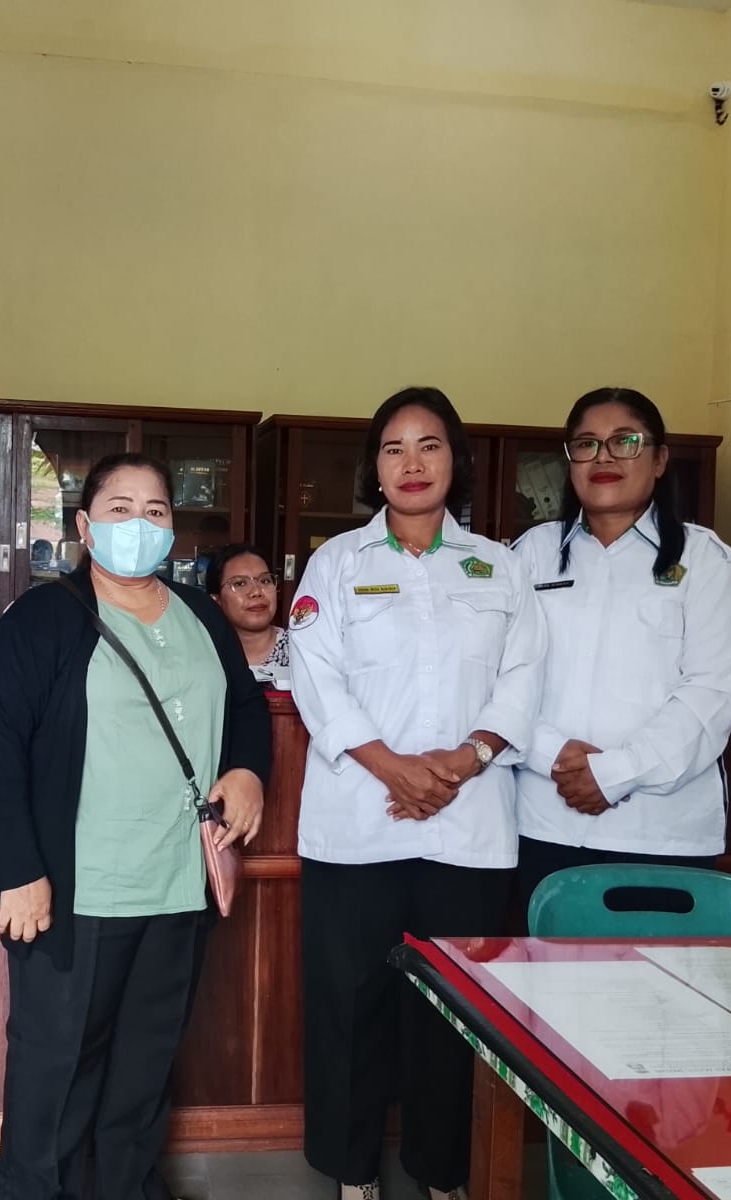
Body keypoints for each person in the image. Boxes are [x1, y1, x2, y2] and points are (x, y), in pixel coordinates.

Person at [0, 452, 271, 1200]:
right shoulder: (43, 618)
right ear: (84, 525)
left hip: (178, 886)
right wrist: (20, 873)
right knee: (56, 1072)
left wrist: (247, 770)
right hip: (79, 893)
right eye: (120, 509)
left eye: (156, 511)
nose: (140, 524)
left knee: (143, 1071)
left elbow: (245, 705)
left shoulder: (201, 613)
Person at [287, 387, 546, 1200]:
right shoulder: (336, 563)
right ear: (374, 468)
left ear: (455, 462)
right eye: (393, 448)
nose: (411, 463)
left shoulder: (500, 567)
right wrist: (393, 767)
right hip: (358, 827)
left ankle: (443, 1173)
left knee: (454, 1014)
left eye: (429, 445)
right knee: (350, 1007)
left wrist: (465, 761)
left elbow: (525, 677)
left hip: (466, 828)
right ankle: (353, 1174)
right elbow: (315, 677)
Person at [510, 386, 731, 910]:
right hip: (543, 819)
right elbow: (503, 679)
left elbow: (710, 693)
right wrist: (553, 755)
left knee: (652, 967)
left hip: (661, 832)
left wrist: (614, 774)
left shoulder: (704, 558)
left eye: (626, 441)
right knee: (541, 964)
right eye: (586, 444)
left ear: (659, 460)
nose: (604, 457)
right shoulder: (532, 554)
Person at [204, 541, 288, 679]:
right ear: (216, 600)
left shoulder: (301, 648)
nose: (256, 592)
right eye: (240, 583)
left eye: (265, 581)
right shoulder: (203, 653)